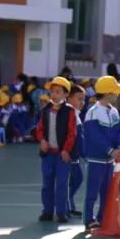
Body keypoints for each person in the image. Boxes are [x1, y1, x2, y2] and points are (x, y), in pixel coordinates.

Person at [82, 75, 120, 231]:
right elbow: (94, 136)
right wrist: (110, 150)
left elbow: (119, 131)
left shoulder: (113, 111)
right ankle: (89, 219)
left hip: (110, 161)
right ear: (108, 93)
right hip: (96, 160)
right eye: (115, 92)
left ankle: (102, 218)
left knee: (107, 193)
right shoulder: (93, 112)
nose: (117, 94)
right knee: (92, 192)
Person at [35, 77, 77, 224]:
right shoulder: (45, 110)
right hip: (48, 155)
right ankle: (47, 211)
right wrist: (42, 140)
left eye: (58, 92)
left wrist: (66, 150)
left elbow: (72, 133)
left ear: (65, 95)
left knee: (61, 184)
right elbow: (39, 129)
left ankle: (61, 212)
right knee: (47, 184)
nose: (54, 95)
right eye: (52, 91)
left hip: (61, 155)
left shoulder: (70, 111)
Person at [67, 84, 86, 218]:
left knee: (76, 179)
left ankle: (69, 205)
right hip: (70, 155)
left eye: (83, 99)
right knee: (73, 180)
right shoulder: (70, 115)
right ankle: (67, 206)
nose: (82, 102)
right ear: (69, 99)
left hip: (75, 155)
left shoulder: (76, 114)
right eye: (78, 98)